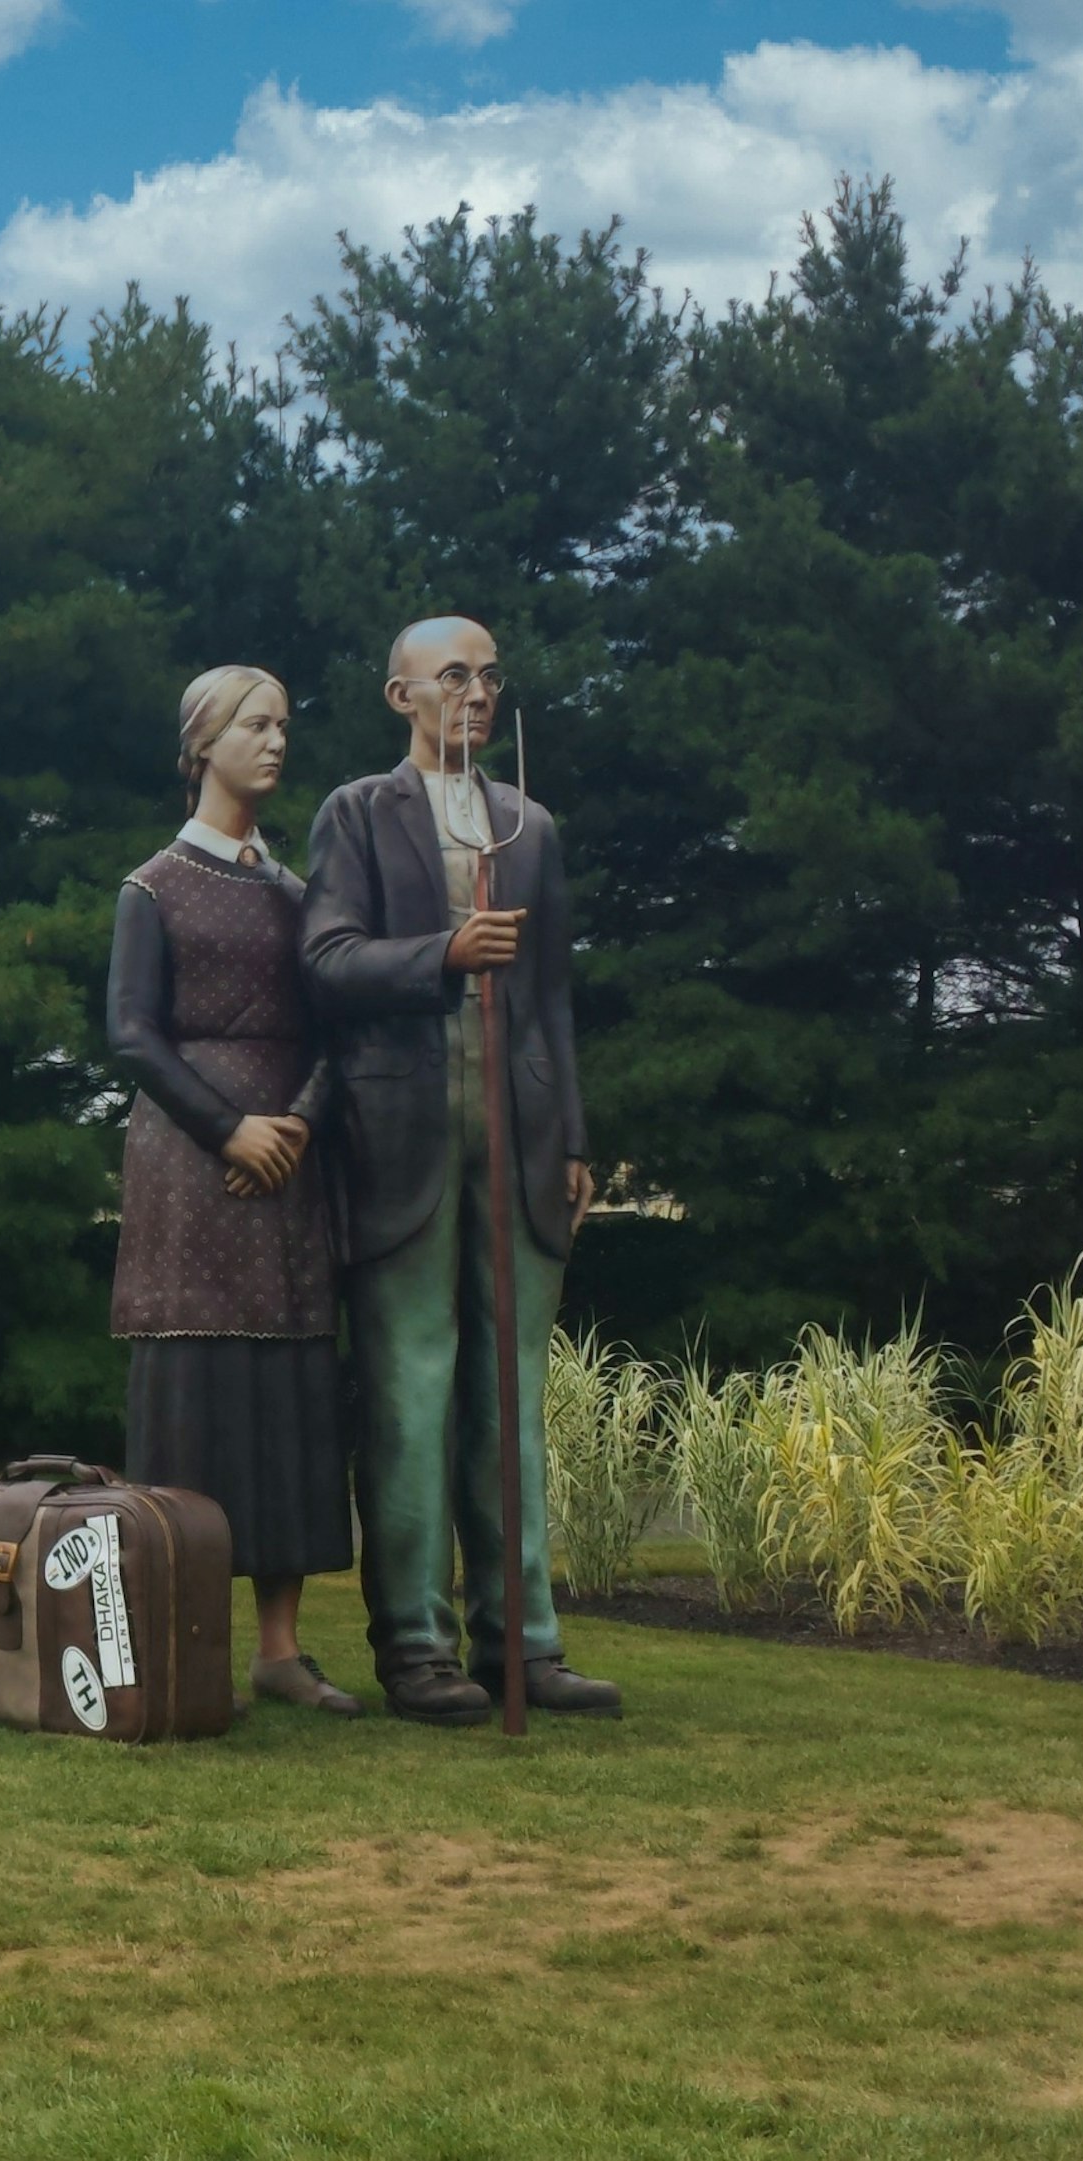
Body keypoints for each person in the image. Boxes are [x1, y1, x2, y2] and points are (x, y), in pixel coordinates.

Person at [300, 616, 621, 1723]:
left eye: (488, 678)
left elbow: (553, 998)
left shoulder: (530, 824)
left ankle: (523, 1642)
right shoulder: (355, 811)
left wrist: (574, 1136)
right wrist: (442, 951)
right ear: (403, 697)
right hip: (402, 1138)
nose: (474, 695)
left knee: (511, 1398)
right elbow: (326, 961)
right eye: (452, 678)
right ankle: (417, 1648)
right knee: (410, 1389)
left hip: (521, 1136)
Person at [105, 664, 362, 1717]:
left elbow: (340, 1031)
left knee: (290, 1393)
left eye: (284, 725)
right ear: (202, 742)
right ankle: (180, 1637)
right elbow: (130, 1032)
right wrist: (227, 1127)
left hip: (288, 1169)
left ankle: (281, 1648)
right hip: (186, 1167)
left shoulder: (306, 901)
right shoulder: (152, 887)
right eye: (255, 724)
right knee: (194, 1393)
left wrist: (297, 1121)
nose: (276, 741)